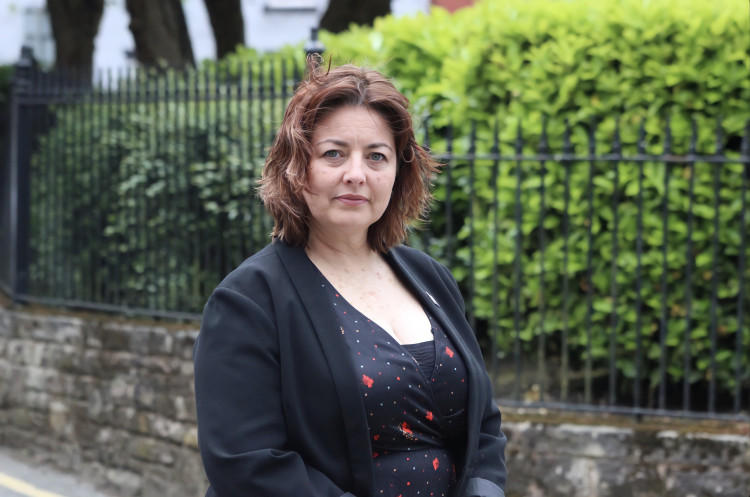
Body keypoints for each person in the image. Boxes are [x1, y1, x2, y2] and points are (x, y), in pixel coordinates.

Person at [193, 60, 508, 497]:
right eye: (333, 153)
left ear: (398, 173)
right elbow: (247, 463)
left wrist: (483, 489)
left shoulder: (430, 278)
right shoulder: (249, 300)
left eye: (376, 156)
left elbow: (484, 424)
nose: (356, 174)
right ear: (296, 168)